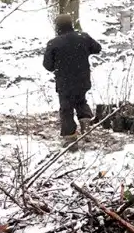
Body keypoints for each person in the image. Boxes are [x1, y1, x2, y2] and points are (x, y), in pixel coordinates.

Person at [42, 14, 102, 150]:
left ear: (57, 27)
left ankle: (70, 139)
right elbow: (97, 48)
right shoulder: (83, 37)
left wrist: (59, 64)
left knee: (66, 109)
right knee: (81, 101)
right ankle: (86, 122)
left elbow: (48, 65)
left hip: (64, 82)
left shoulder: (54, 43)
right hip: (83, 79)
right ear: (71, 24)